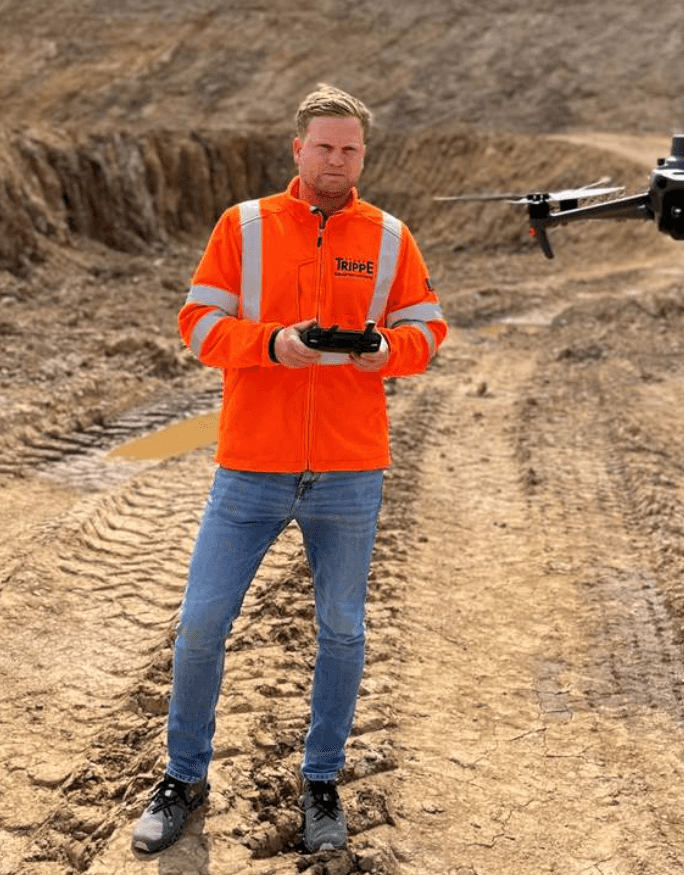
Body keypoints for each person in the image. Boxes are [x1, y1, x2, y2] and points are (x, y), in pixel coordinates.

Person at [131, 84, 447, 856]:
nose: (337, 160)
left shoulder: (391, 236)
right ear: (297, 149)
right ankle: (182, 776)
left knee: (342, 632)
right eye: (324, 146)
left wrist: (387, 351)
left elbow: (428, 327)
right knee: (202, 625)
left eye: (351, 149)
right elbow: (198, 324)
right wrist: (274, 345)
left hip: (350, 471)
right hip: (252, 467)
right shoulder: (243, 226)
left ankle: (322, 782)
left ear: (361, 155)